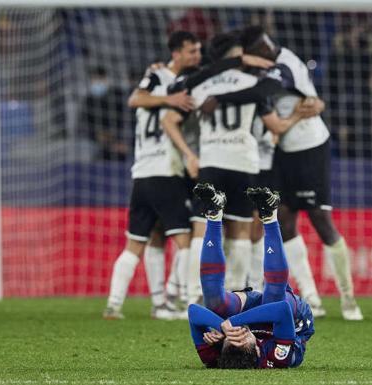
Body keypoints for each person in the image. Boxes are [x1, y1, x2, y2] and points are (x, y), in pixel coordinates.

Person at [161, 32, 309, 302]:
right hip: (242, 161)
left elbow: (173, 101)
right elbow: (271, 118)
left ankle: (193, 295)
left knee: (201, 227)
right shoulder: (254, 81)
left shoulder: (201, 85)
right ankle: (235, 294)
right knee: (241, 230)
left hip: (211, 160)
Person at [236, 26, 362, 320]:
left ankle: (349, 299)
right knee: (285, 219)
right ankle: (311, 297)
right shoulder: (264, 67)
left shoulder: (285, 63)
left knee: (321, 219)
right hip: (281, 152)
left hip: (309, 146)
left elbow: (264, 90)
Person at [103, 31, 202, 320]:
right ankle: (183, 300)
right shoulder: (165, 82)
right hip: (165, 171)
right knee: (185, 240)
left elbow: (139, 99)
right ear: (177, 53)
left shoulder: (158, 82)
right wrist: (171, 98)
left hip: (142, 173)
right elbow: (134, 99)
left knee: (143, 240)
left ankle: (117, 304)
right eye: (192, 51)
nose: (196, 56)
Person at [188, 183, 314, 369]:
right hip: (292, 318)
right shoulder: (278, 357)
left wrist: (221, 326)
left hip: (256, 313)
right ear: (257, 350)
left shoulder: (212, 357)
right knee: (273, 300)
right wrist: (231, 322)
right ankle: (270, 215)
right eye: (242, 335)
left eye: (233, 335)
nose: (238, 331)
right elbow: (281, 311)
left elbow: (193, 311)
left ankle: (214, 214)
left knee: (214, 303)